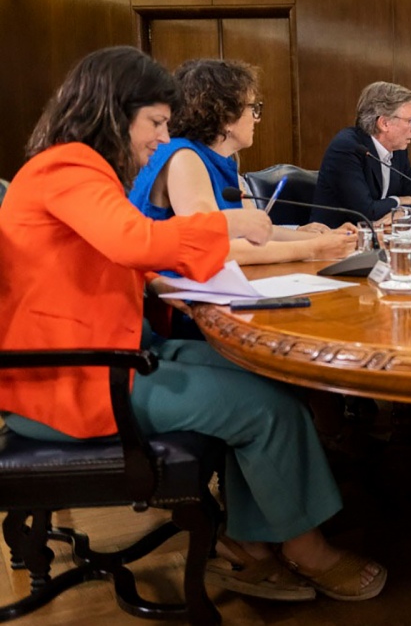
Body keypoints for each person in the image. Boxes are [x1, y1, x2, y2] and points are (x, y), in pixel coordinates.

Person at [0, 46, 386, 603]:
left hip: (111, 353)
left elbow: (117, 255)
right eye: (155, 121)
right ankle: (304, 548)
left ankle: (250, 544)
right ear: (114, 110)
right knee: (263, 407)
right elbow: (133, 240)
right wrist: (234, 224)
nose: (163, 136)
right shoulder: (68, 165)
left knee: (267, 376)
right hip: (71, 380)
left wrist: (164, 281)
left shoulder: (75, 168)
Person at [128, 58, 357, 264]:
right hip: (174, 300)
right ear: (226, 115)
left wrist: (327, 237)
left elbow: (257, 232)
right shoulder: (183, 158)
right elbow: (213, 248)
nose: (257, 119)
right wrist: (312, 248)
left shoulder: (222, 160)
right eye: (253, 108)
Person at [311, 81, 411, 228]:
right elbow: (365, 211)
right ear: (384, 123)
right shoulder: (347, 148)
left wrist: (402, 213)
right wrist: (401, 201)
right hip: (335, 241)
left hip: (378, 240)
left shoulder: (398, 149)